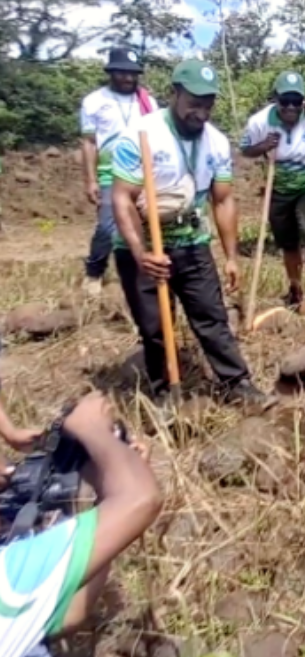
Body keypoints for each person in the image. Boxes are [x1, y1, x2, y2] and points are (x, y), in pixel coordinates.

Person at [112, 59, 273, 409]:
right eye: (193, 103)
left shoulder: (215, 143)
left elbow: (223, 200)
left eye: (207, 104)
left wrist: (231, 257)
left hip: (191, 242)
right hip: (142, 245)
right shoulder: (142, 135)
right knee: (156, 327)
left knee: (212, 317)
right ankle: (165, 391)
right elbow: (122, 199)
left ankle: (237, 383)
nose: (200, 112)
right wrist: (142, 255)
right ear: (175, 94)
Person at [0, 391, 162, 657]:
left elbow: (69, 613)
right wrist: (91, 428)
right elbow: (140, 499)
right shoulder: (7, 582)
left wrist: (108, 501)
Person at [240, 71, 305, 319]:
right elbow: (246, 149)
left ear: (304, 101)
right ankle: (295, 289)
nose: (291, 107)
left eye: (297, 102)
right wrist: (263, 147)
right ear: (276, 99)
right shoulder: (260, 121)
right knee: (288, 242)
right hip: (280, 185)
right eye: (285, 101)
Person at [80, 48, 158, 296]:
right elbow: (89, 143)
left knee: (146, 224)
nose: (128, 78)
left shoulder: (147, 102)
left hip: (143, 172)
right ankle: (94, 272)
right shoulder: (94, 102)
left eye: (133, 74)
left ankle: (142, 270)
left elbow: (157, 138)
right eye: (123, 73)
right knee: (107, 226)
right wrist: (90, 179)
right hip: (109, 173)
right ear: (112, 72)